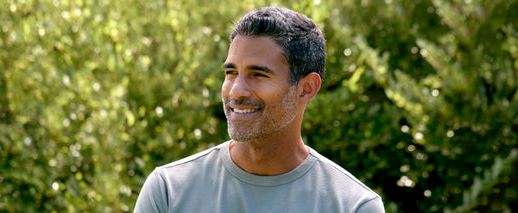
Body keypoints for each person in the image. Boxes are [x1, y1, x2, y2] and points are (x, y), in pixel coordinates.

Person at [134, 7, 384, 213]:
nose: (236, 91)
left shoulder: (353, 206)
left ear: (306, 88)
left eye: (258, 74)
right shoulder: (168, 191)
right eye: (231, 73)